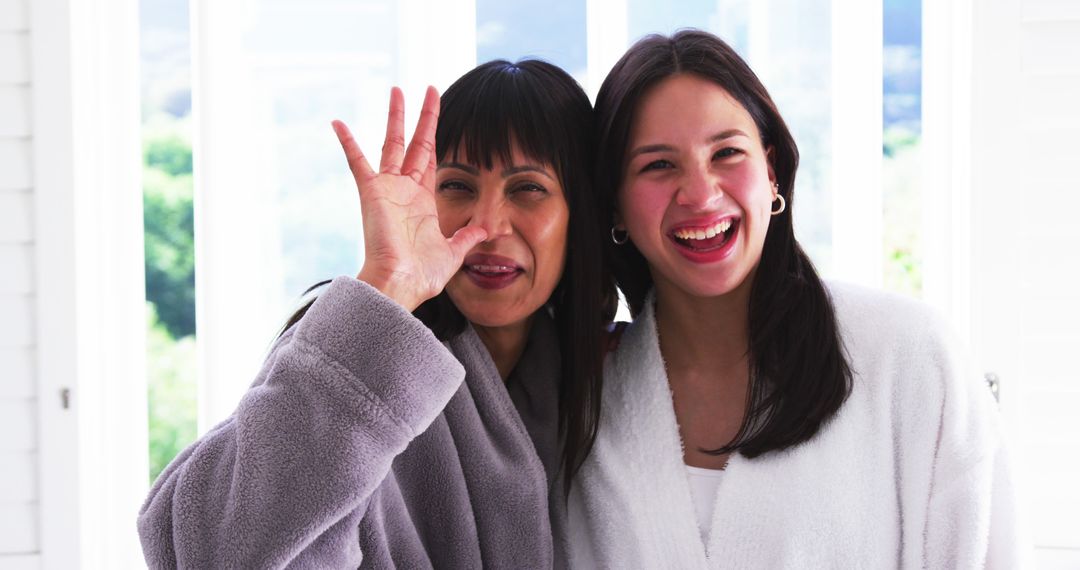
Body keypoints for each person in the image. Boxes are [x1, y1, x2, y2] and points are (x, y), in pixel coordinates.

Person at [568, 30, 1020, 568]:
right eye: (659, 165)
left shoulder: (911, 355)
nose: (701, 193)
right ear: (615, 206)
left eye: (727, 152)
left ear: (772, 170)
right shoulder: (587, 400)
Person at [138, 59, 611, 568]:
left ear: (580, 213)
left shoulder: (601, 374)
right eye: (457, 186)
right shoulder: (357, 349)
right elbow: (204, 550)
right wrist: (389, 283)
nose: (487, 225)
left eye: (527, 189)